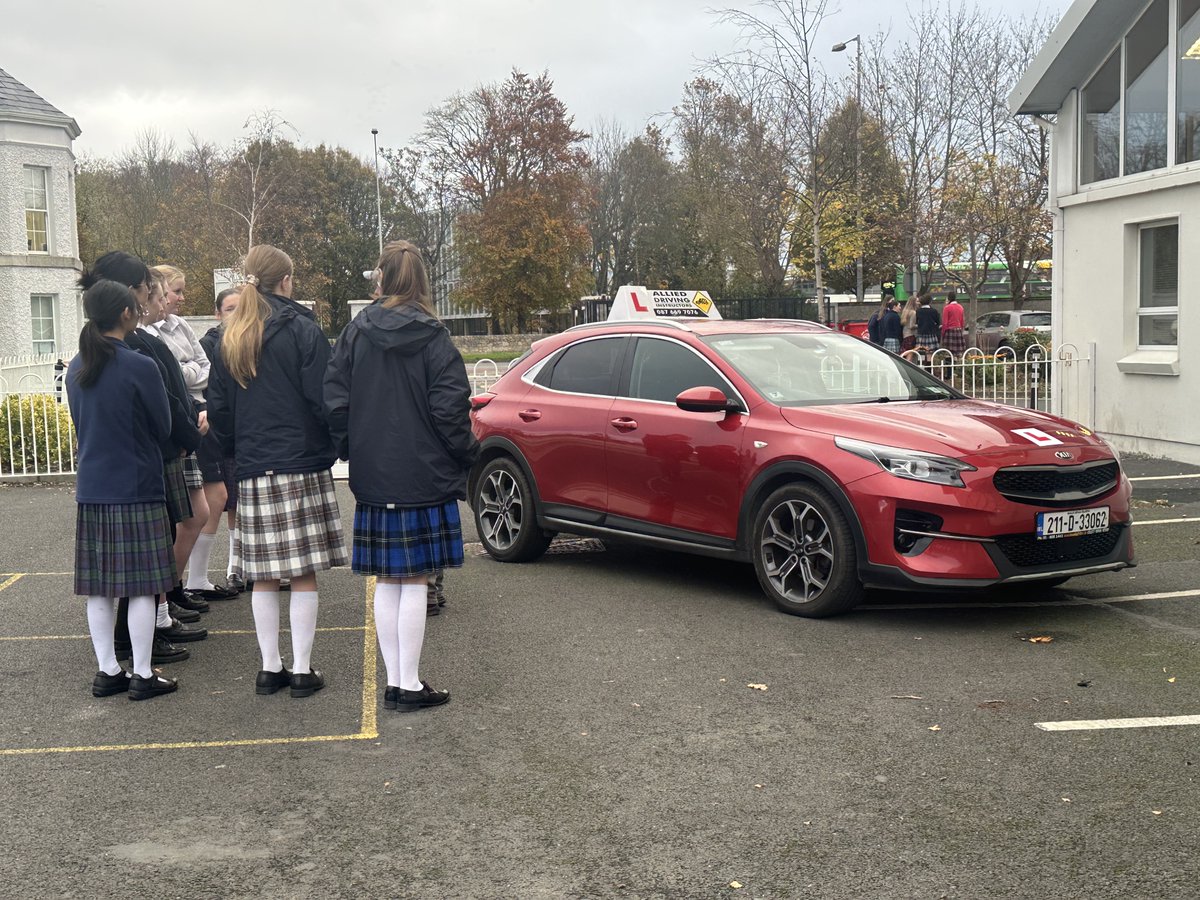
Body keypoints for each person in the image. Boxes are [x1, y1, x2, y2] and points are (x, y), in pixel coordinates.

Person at [325, 240, 479, 712]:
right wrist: (467, 455)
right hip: (423, 473)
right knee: (412, 580)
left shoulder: (355, 332)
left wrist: (351, 449)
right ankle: (406, 684)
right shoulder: (435, 337)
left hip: (374, 470)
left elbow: (335, 400)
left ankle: (398, 681)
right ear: (422, 281)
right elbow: (450, 409)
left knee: (387, 579)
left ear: (382, 279)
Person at [208, 245, 348, 699]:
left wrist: (235, 451)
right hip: (300, 461)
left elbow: (221, 410)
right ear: (286, 281)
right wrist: (334, 444)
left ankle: (270, 669)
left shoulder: (231, 335)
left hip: (253, 464)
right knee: (303, 572)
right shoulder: (304, 331)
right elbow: (321, 399)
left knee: (263, 574)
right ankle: (303, 671)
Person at [67, 279, 178, 701]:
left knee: (99, 587)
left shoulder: (77, 368)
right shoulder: (139, 365)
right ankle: (143, 674)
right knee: (142, 586)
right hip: (137, 485)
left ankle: (107, 671)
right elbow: (163, 427)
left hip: (93, 487)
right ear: (127, 314)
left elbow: (83, 427)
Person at [150, 265, 236, 601]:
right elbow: (171, 375)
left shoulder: (181, 326)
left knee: (211, 502)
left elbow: (205, 368)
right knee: (190, 512)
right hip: (183, 421)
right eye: (176, 292)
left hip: (203, 414)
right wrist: (189, 371)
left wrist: (185, 371)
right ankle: (170, 592)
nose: (182, 298)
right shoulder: (150, 335)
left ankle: (187, 583)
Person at [198, 288, 245, 593]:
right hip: (218, 432)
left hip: (245, 432)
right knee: (222, 502)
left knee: (240, 504)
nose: (235, 314)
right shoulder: (208, 343)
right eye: (229, 309)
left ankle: (239, 565)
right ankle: (219, 570)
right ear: (218, 313)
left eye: (240, 308)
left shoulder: (252, 339)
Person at [941, 290, 967, 355]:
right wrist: (961, 330)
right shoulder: (960, 307)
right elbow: (962, 321)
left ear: (949, 298)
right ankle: (955, 363)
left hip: (949, 331)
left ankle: (949, 363)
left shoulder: (947, 308)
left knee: (948, 352)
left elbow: (945, 323)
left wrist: (943, 333)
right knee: (958, 352)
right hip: (958, 330)